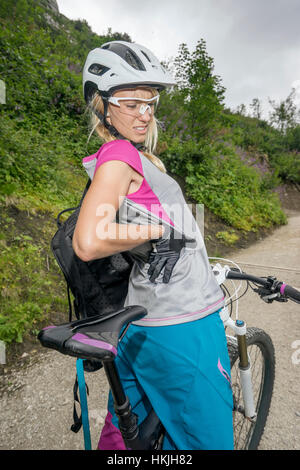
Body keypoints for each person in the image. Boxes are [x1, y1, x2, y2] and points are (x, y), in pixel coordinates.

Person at [73, 40, 234, 450]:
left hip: (142, 322)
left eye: (150, 102)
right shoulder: (118, 155)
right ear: (102, 106)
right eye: (130, 102)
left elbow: (174, 231)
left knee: (124, 440)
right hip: (182, 325)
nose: (144, 113)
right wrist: (157, 231)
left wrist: (170, 233)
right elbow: (89, 241)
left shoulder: (135, 159)